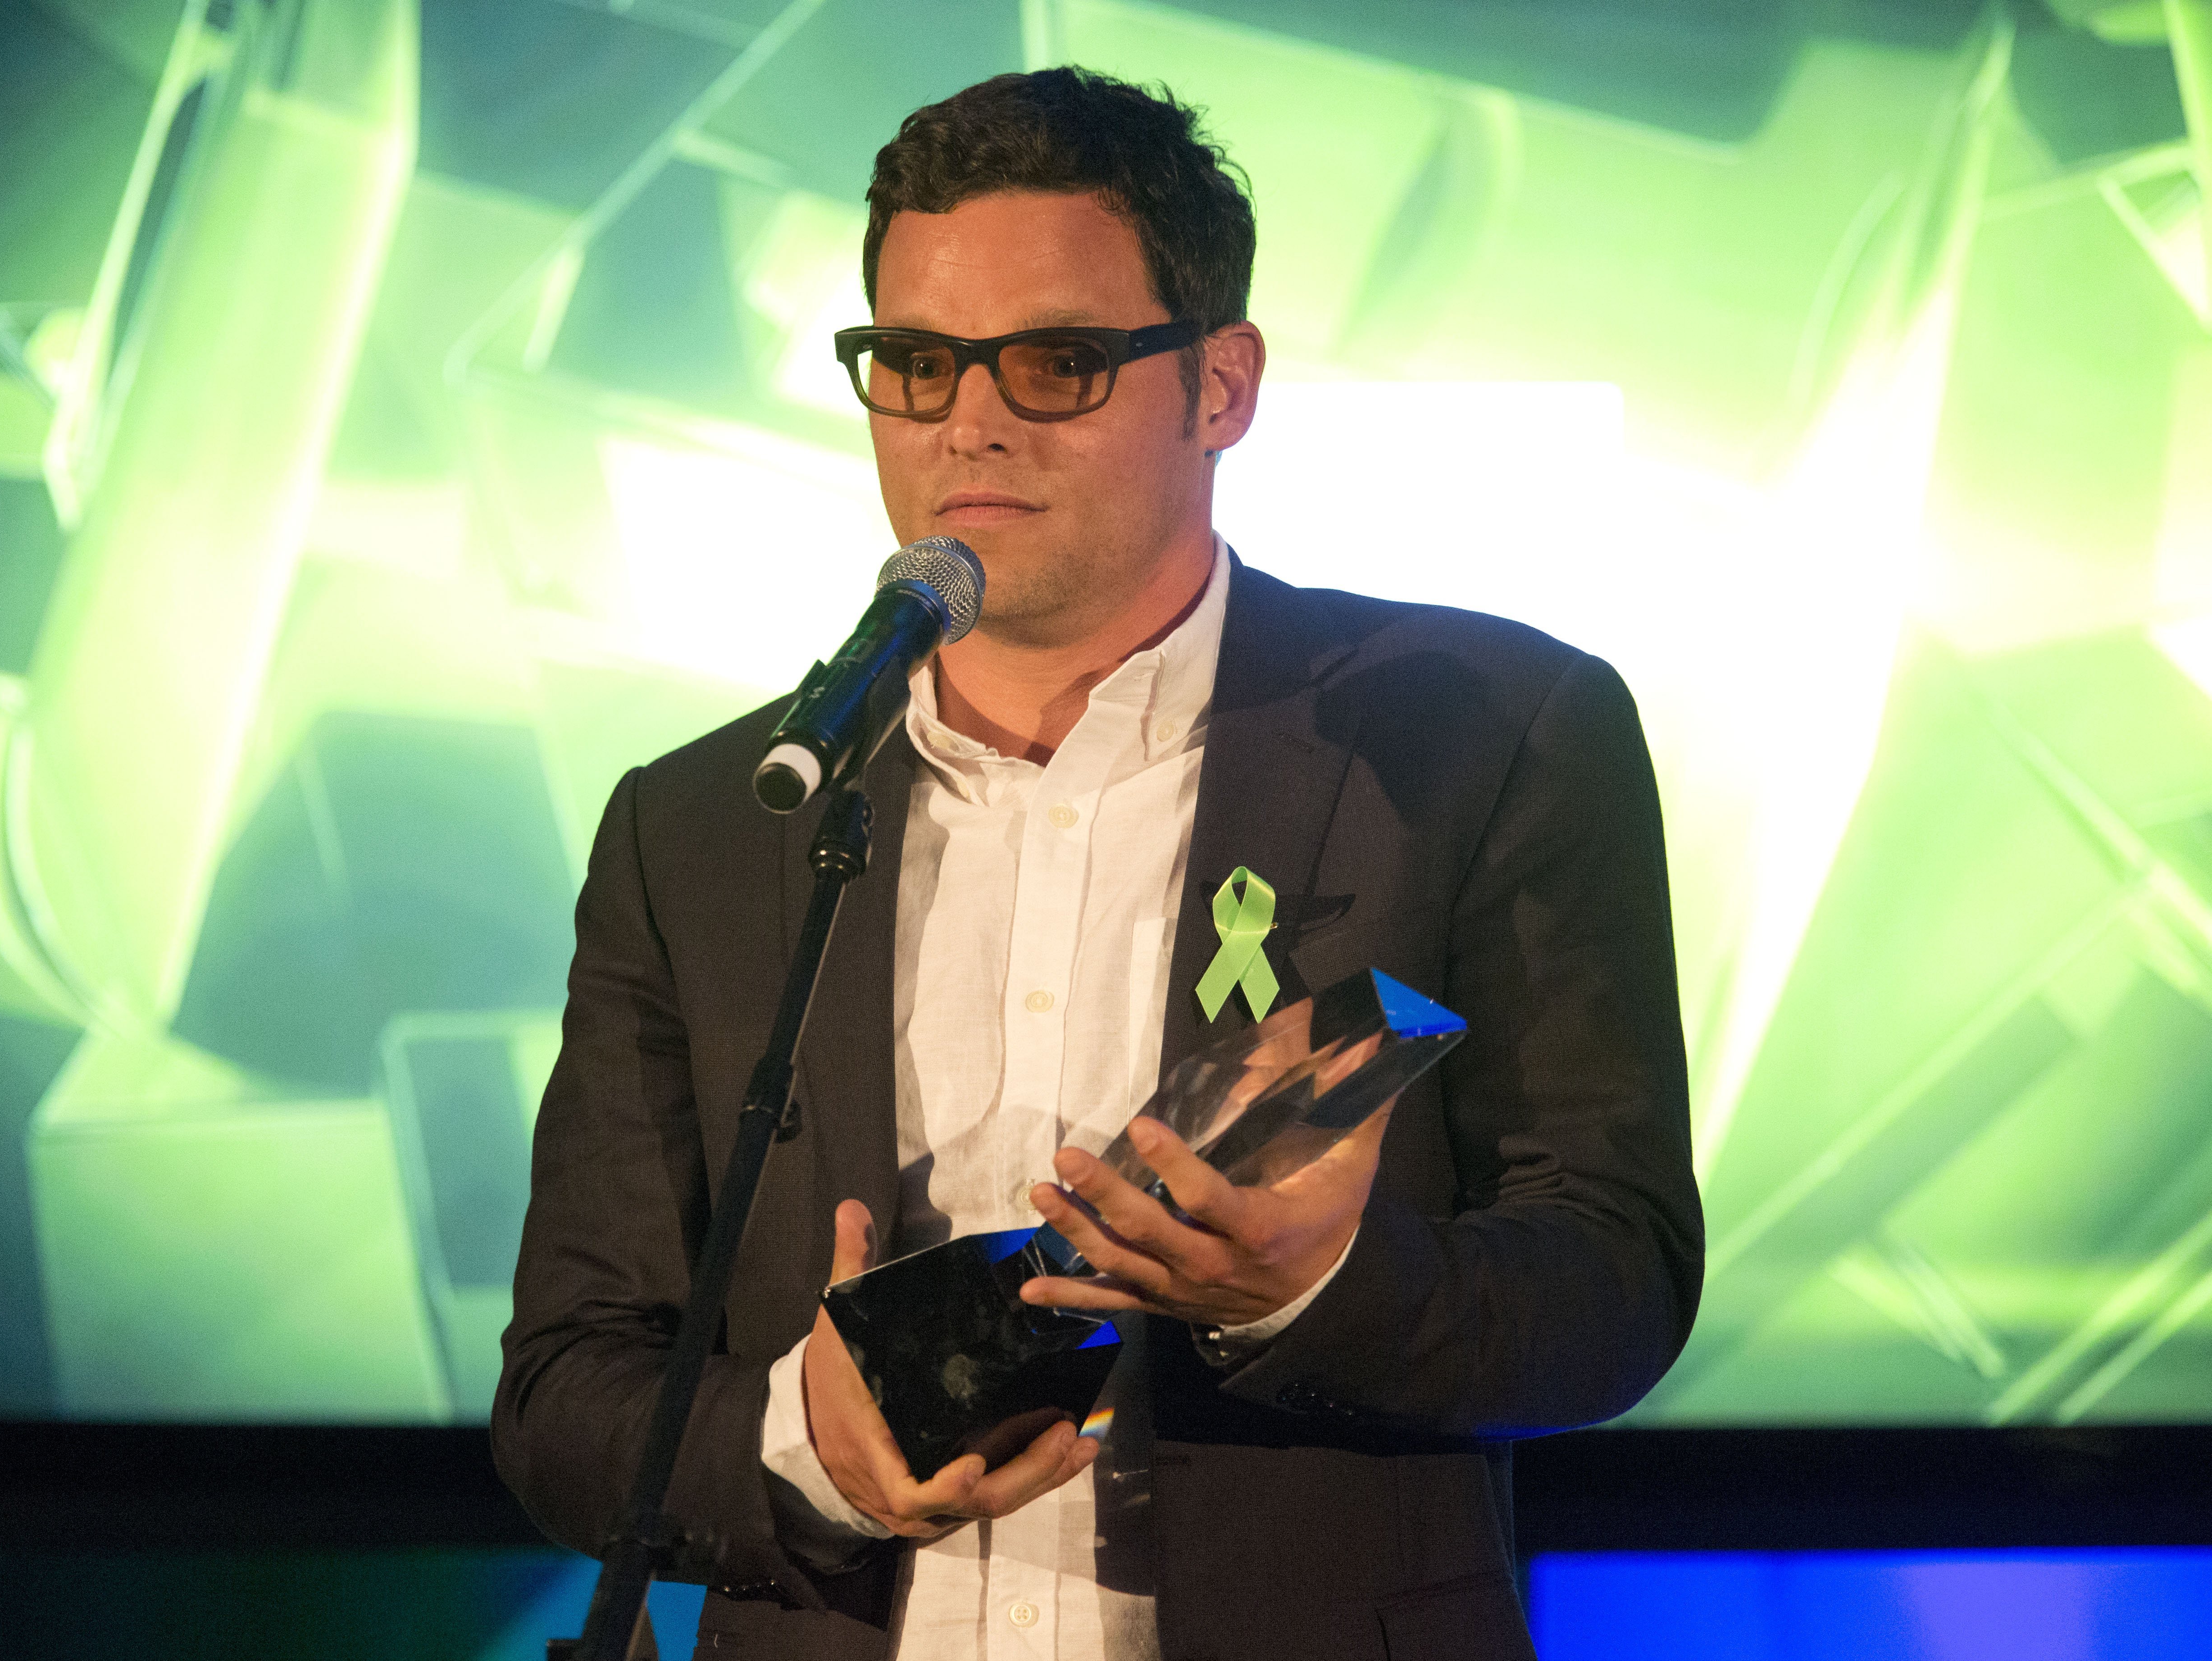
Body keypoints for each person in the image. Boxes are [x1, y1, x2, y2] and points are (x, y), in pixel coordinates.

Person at [495, 67, 1704, 1661]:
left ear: (1223, 386)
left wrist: (1309, 1280)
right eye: (914, 364)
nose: (966, 421)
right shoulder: (717, 819)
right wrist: (809, 1443)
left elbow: (1613, 1279)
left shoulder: (1491, 733)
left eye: (1055, 362)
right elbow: (570, 1390)